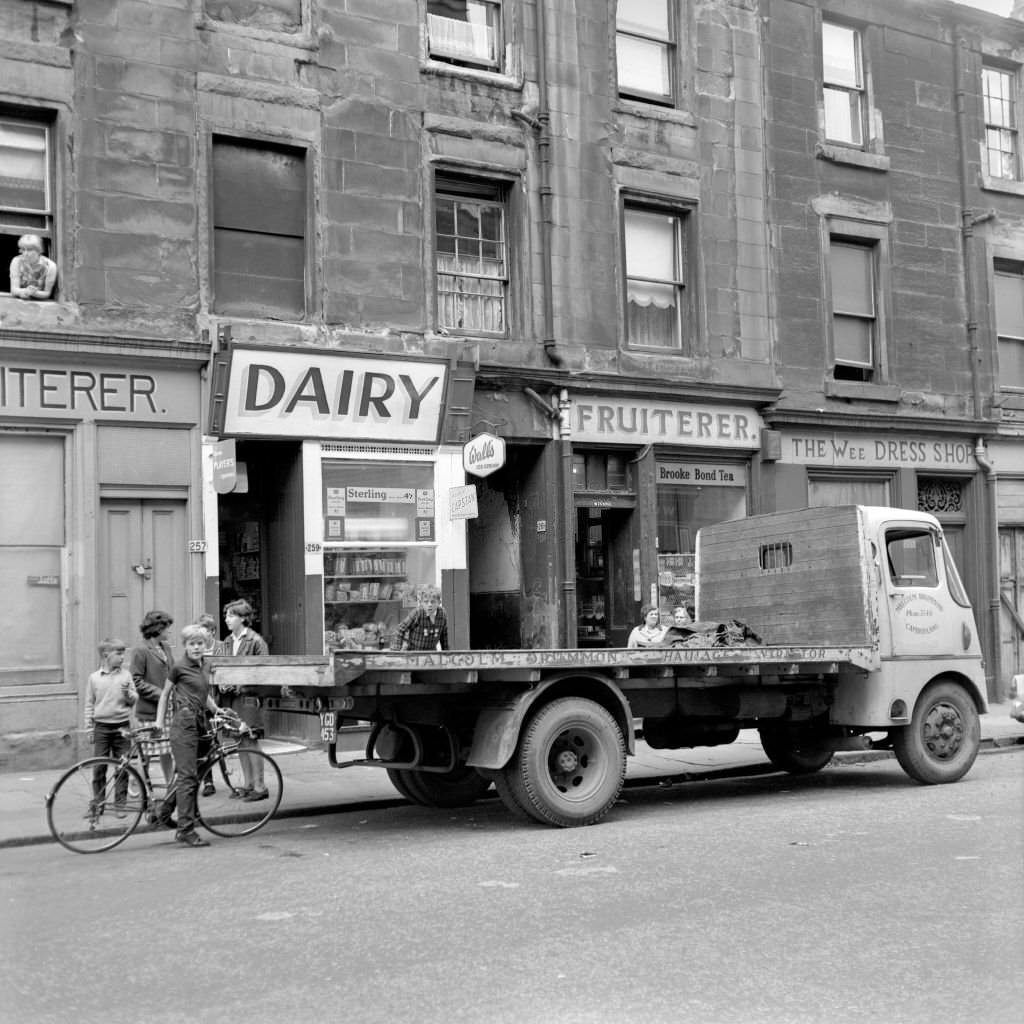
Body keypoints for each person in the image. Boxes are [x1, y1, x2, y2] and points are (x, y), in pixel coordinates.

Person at [156, 625, 220, 848]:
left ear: (206, 645)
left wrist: (216, 709)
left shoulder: (205, 665)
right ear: (185, 646)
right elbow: (164, 695)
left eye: (200, 643)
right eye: (192, 644)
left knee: (196, 772)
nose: (196, 647)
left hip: (201, 721)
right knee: (187, 777)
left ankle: (163, 812)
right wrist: (158, 722)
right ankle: (185, 830)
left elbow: (203, 693)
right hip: (184, 724)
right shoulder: (179, 667)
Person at [221, 599, 270, 802]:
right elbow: (223, 667)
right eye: (226, 616)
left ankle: (260, 786)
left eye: (231, 615)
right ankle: (248, 784)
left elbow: (264, 674)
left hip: (249, 698)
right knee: (239, 741)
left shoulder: (256, 641)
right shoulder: (227, 641)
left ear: (243, 618)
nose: (227, 620)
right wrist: (222, 683)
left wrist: (239, 686)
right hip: (232, 699)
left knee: (251, 739)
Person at [83, 638, 137, 817]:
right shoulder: (94, 678)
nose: (123, 657)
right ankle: (98, 804)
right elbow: (89, 704)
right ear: (106, 655)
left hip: (122, 727)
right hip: (102, 728)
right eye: (119, 654)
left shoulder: (126, 675)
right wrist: (89, 728)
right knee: (99, 767)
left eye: (123, 653)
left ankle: (120, 804)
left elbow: (133, 699)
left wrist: (128, 694)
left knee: (123, 766)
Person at [129, 610, 175, 793]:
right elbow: (136, 681)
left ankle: (171, 784)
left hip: (168, 709)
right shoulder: (140, 651)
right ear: (158, 628)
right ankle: (137, 782)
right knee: (146, 751)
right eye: (167, 628)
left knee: (167, 749)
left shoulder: (166, 648)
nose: (169, 632)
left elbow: (173, 673)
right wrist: (161, 694)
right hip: (149, 709)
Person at [392, 584, 449, 651]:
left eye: (433, 602)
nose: (429, 605)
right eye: (426, 602)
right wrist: (396, 650)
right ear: (421, 602)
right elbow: (400, 629)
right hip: (413, 652)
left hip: (431, 653)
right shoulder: (417, 613)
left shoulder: (442, 614)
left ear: (439, 602)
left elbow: (444, 636)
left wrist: (446, 654)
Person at [8, 234, 57, 300]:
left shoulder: (51, 266)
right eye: (23, 249)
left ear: (39, 250)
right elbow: (13, 289)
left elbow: (47, 293)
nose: (25, 253)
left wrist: (34, 293)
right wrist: (23, 292)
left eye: (29, 250)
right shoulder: (16, 261)